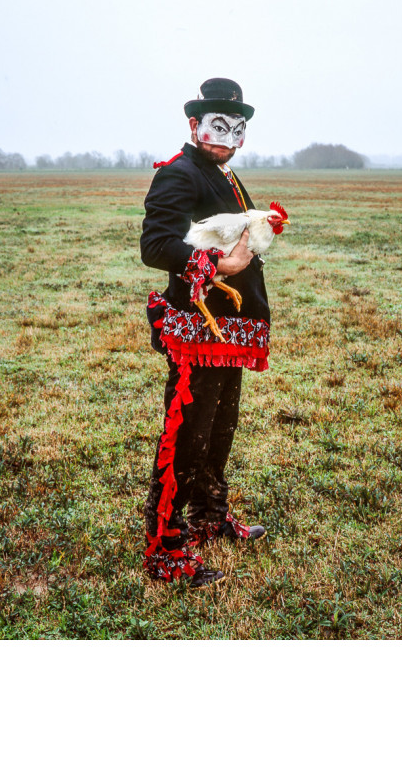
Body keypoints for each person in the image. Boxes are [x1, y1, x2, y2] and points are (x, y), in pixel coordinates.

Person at [140, 77, 269, 588]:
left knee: (219, 427)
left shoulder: (227, 176)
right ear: (194, 126)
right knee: (187, 433)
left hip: (230, 329)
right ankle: (164, 547)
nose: (228, 135)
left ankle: (209, 516)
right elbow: (155, 245)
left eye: (236, 128)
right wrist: (217, 260)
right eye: (218, 125)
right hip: (197, 327)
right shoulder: (179, 173)